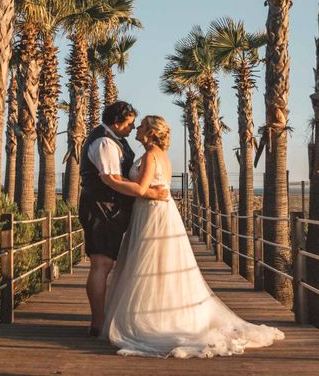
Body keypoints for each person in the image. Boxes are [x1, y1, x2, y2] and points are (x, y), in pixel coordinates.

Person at [100, 115, 284, 358]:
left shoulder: (151, 155)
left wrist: (109, 180)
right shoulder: (158, 155)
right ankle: (161, 311)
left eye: (142, 125)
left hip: (152, 214)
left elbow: (143, 189)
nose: (137, 128)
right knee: (159, 264)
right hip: (156, 212)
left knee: (151, 263)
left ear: (152, 132)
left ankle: (155, 318)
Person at [78, 102, 169, 337]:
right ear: (117, 122)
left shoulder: (117, 141)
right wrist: (150, 193)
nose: (131, 129)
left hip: (111, 209)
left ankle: (106, 318)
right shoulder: (105, 142)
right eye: (129, 124)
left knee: (106, 264)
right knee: (101, 264)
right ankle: (97, 323)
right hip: (101, 208)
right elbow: (111, 179)